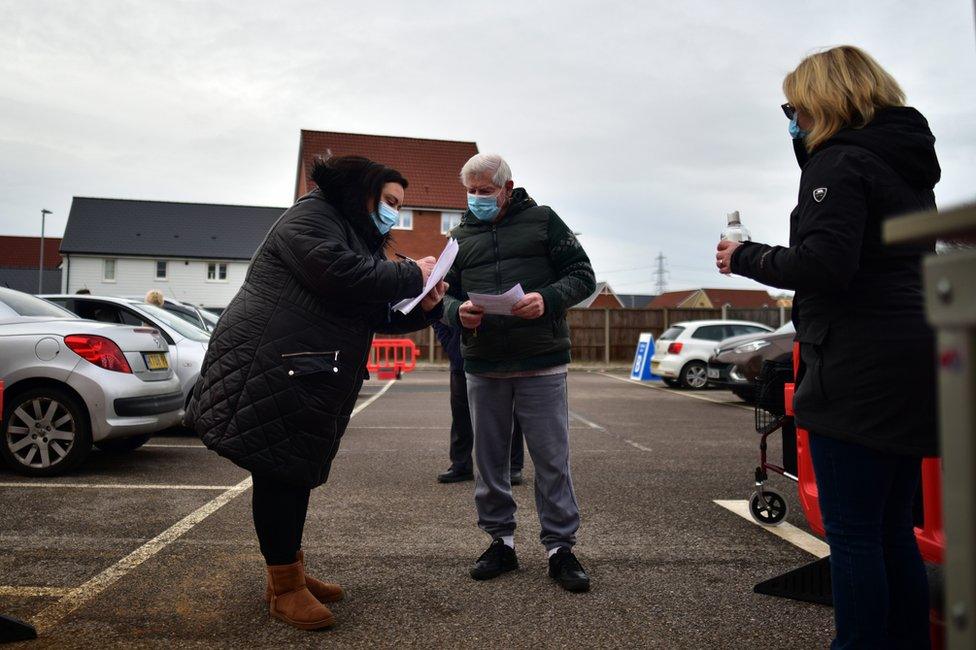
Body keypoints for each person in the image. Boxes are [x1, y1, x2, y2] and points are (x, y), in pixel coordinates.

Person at [716, 46, 939, 648]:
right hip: (910, 360)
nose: (792, 121)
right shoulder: (905, 166)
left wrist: (746, 257)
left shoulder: (840, 163)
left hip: (856, 367)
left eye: (794, 107)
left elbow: (825, 264)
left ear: (824, 101)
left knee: (855, 535)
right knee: (893, 528)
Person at [185, 155, 445, 631]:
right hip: (271, 363)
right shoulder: (312, 215)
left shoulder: (348, 230)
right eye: (389, 202)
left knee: (293, 471)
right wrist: (413, 273)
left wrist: (423, 307)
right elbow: (337, 274)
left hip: (302, 366)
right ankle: (284, 588)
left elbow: (367, 309)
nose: (393, 214)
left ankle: (290, 572)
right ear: (361, 192)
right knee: (279, 472)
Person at [438, 153, 596, 593]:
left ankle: (560, 549)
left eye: (484, 191)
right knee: (488, 461)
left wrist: (547, 298)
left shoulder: (544, 222)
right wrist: (457, 312)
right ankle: (500, 542)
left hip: (540, 361)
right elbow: (439, 298)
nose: (476, 199)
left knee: (551, 460)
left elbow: (583, 276)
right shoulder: (459, 236)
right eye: (470, 192)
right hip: (484, 364)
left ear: (507, 188)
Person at [429, 318, 525, 485]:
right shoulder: (451, 291)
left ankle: (513, 466)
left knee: (508, 411)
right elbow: (437, 315)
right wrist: (451, 345)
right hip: (460, 360)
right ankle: (461, 464)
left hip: (497, 357)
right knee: (460, 413)